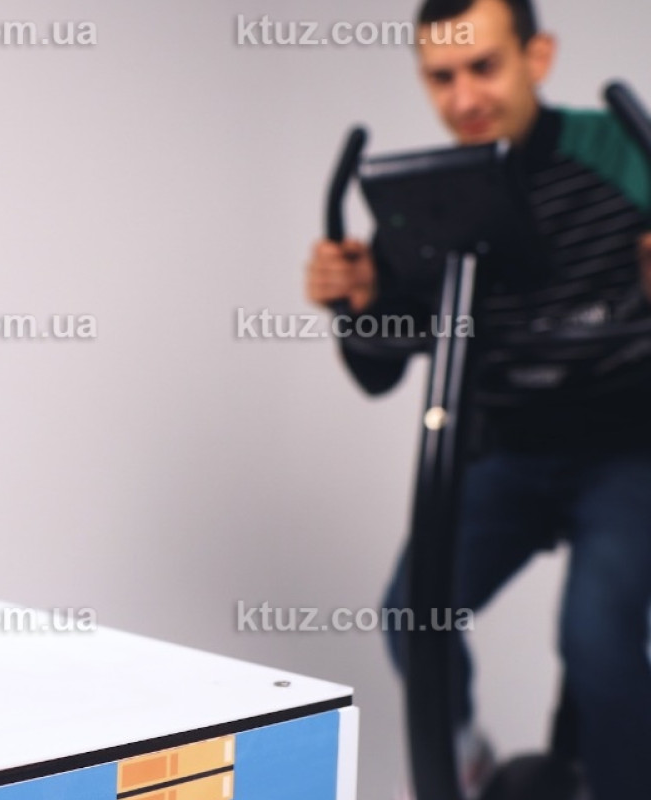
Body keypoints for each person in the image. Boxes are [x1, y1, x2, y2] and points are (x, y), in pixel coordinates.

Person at [304, 1, 651, 798]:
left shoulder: (621, 152)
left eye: (483, 68)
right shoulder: (429, 197)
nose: (463, 98)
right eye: (441, 77)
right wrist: (360, 307)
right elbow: (379, 370)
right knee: (413, 618)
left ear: (537, 57)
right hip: (507, 451)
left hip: (628, 450)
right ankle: (466, 764)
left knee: (597, 640)